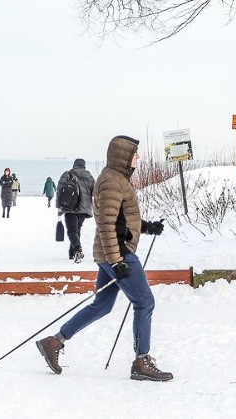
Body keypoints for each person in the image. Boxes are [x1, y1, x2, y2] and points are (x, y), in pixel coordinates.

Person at [36, 135, 171, 381]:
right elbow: (106, 224)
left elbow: (121, 219)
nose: (138, 158)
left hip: (110, 252)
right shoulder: (111, 181)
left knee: (102, 305)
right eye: (135, 154)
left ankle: (54, 342)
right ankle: (142, 361)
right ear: (124, 155)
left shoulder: (117, 179)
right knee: (144, 303)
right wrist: (117, 260)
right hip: (117, 252)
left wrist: (148, 227)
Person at [56, 159, 95, 263]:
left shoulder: (67, 174)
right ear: (84, 166)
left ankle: (77, 250)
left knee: (72, 231)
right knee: (77, 230)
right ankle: (72, 253)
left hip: (70, 207)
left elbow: (59, 189)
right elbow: (95, 191)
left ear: (74, 165)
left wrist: (59, 206)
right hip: (84, 209)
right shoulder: (89, 176)